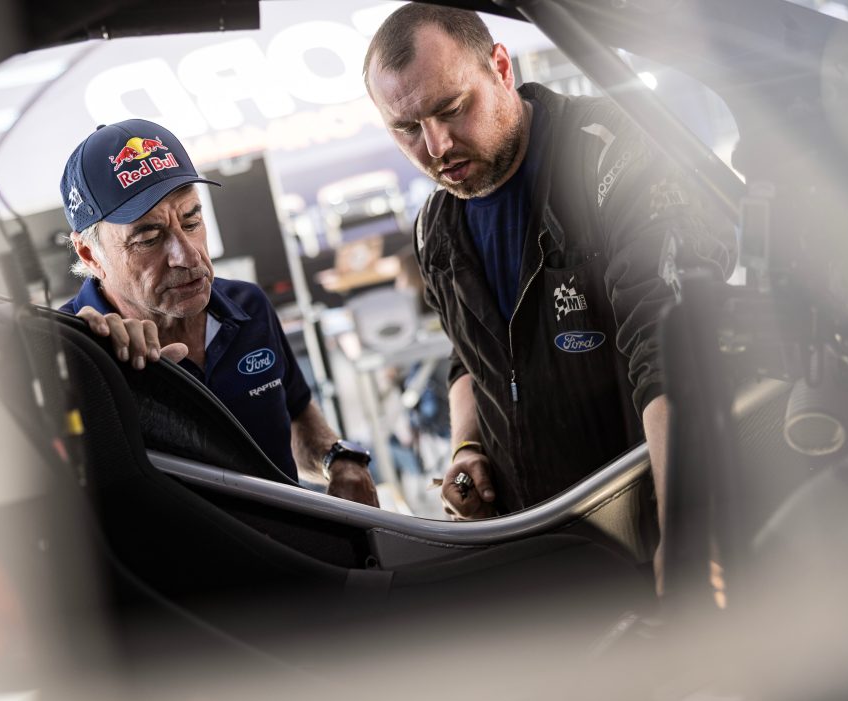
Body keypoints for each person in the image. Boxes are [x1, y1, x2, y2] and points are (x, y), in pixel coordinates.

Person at [364, 6, 732, 571]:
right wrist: (467, 446)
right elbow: (468, 359)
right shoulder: (434, 228)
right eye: (407, 129)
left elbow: (671, 351)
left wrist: (688, 536)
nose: (436, 146)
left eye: (452, 109)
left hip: (648, 525)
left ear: (500, 67)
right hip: (542, 549)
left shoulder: (611, 157)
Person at [57, 119, 378, 507]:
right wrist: (98, 373)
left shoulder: (249, 306)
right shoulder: (69, 356)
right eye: (149, 238)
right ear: (90, 255)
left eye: (191, 220)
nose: (188, 256)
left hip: (292, 540)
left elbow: (295, 414)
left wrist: (338, 460)